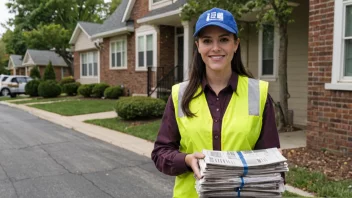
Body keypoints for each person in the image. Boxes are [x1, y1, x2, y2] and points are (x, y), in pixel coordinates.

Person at [151, 7, 281, 198]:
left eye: (224, 39)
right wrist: (186, 160)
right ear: (198, 46)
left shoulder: (258, 93)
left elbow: (272, 165)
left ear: (235, 44)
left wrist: (274, 162)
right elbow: (161, 153)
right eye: (207, 41)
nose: (215, 48)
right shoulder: (180, 94)